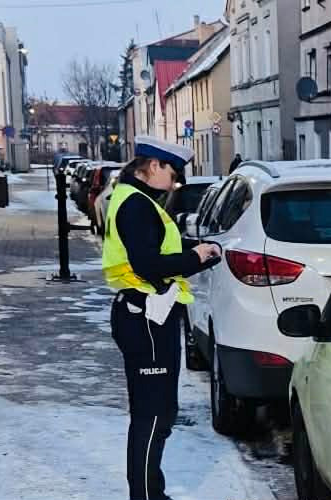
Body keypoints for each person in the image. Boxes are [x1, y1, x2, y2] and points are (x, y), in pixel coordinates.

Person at [103, 136, 221, 500]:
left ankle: (151, 492)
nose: (174, 184)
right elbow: (148, 264)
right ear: (153, 166)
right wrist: (195, 257)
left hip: (148, 314)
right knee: (152, 415)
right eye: (173, 174)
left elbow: (158, 250)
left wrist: (197, 251)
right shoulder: (136, 204)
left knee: (159, 412)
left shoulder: (136, 199)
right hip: (145, 317)